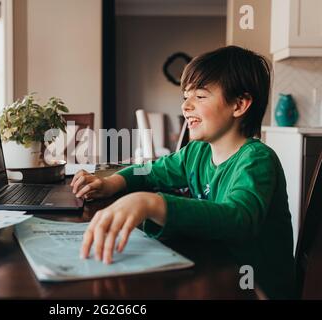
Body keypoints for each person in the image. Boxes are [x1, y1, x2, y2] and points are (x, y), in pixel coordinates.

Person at [70, 46, 295, 299]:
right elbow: (151, 170)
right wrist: (113, 183)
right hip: (215, 267)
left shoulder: (257, 159)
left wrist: (152, 203)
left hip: (255, 287)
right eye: (185, 97)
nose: (186, 106)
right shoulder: (196, 152)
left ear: (239, 104)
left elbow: (238, 219)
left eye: (199, 96)